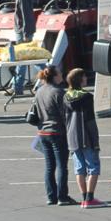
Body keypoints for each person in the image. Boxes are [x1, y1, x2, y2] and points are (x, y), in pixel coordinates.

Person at [32, 65, 76, 206]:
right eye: (60, 73)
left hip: (43, 132)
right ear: (55, 76)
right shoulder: (58, 92)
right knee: (62, 166)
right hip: (57, 132)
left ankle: (51, 196)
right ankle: (62, 196)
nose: (62, 75)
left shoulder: (39, 91)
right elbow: (66, 114)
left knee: (50, 166)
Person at [63, 68, 104, 208]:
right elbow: (90, 120)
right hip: (86, 136)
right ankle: (89, 198)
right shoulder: (86, 97)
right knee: (93, 167)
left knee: (79, 169)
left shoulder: (65, 96)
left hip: (72, 137)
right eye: (84, 76)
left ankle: (83, 198)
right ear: (80, 79)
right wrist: (95, 140)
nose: (86, 78)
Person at [8, 0, 36, 96]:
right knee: (23, 60)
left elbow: (27, 17)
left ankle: (17, 87)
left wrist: (26, 33)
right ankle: (16, 86)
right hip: (22, 31)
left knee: (22, 60)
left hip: (23, 32)